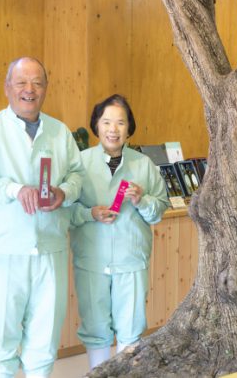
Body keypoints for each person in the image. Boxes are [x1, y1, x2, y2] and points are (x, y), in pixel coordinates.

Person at [0, 57, 84, 378]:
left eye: (37, 83)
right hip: (5, 250)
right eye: (21, 82)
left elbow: (78, 176)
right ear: (7, 88)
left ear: (46, 88)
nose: (29, 90)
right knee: (1, 331)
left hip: (51, 247)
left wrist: (64, 192)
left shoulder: (59, 132)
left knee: (46, 332)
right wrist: (15, 189)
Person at [69, 94, 169, 369]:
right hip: (92, 260)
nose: (113, 129)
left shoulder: (143, 164)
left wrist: (142, 200)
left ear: (129, 128)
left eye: (120, 123)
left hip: (131, 259)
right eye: (107, 122)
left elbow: (159, 209)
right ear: (96, 126)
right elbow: (66, 210)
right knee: (95, 325)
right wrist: (90, 213)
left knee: (131, 326)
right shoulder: (79, 162)